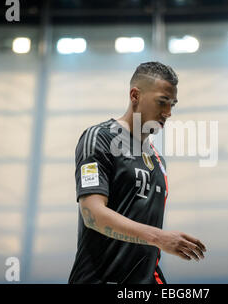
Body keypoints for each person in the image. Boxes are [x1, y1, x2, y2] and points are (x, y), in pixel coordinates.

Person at [68, 62, 207, 284]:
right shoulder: (99, 138)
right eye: (162, 102)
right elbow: (92, 214)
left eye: (173, 104)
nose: (168, 113)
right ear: (135, 95)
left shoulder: (158, 160)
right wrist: (160, 238)